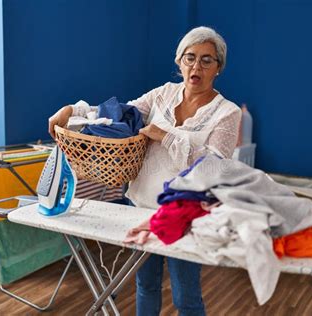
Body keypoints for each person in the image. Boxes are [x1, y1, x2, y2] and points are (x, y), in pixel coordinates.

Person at [48, 26, 241, 316]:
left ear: (218, 68)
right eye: (190, 57)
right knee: (145, 286)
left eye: (206, 60)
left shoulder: (228, 112)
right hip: (139, 207)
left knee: (185, 297)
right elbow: (118, 114)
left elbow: (214, 169)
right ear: (179, 61)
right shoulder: (163, 94)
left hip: (184, 217)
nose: (196, 66)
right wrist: (72, 110)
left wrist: (167, 135)